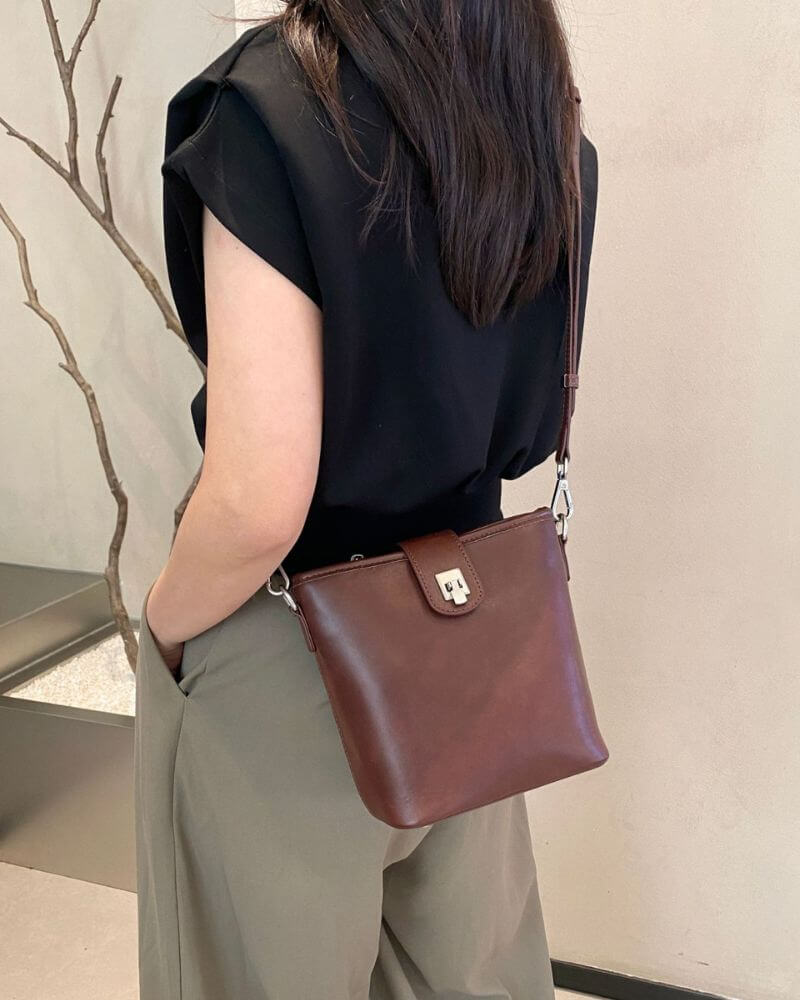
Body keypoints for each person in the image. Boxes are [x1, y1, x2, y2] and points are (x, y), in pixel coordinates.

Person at [134, 3, 598, 997]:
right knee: (468, 976)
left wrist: (165, 623)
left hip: (287, 635)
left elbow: (260, 499)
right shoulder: (535, 109)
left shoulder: (271, 104)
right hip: (472, 628)